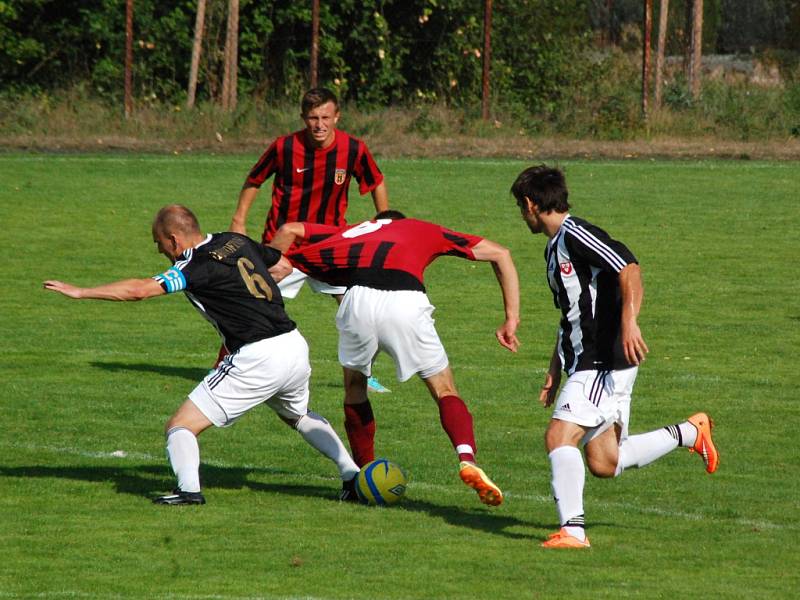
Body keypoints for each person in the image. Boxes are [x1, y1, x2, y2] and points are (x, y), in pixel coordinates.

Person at [43, 205, 360, 505]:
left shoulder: (192, 266)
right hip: (293, 344)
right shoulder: (234, 240)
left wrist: (81, 291)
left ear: (173, 239)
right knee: (297, 415)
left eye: (159, 244)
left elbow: (139, 290)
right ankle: (352, 475)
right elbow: (283, 266)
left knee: (180, 426)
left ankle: (188, 491)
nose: (160, 251)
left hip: (258, 355)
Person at [511, 165, 719, 548]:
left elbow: (629, 267)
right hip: (587, 362)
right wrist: (555, 368)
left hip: (602, 361)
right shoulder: (554, 248)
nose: (520, 215)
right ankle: (690, 432)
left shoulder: (577, 234)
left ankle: (573, 532)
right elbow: (571, 314)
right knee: (605, 462)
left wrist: (629, 323)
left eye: (519, 208)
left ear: (531, 204)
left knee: (559, 436)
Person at [268, 210, 521, 507]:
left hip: (357, 300)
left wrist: (265, 268)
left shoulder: (355, 231)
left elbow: (290, 229)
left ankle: (362, 476)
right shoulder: (421, 227)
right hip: (405, 299)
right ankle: (467, 458)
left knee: (355, 389)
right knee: (444, 390)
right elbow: (500, 253)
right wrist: (511, 319)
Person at [227, 86, 391, 393]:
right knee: (253, 303)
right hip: (283, 246)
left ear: (337, 116)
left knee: (356, 307)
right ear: (304, 118)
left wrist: (385, 222)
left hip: (330, 245)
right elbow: (255, 179)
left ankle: (363, 374)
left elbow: (376, 181)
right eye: (313, 117)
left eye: (325, 117)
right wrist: (239, 219)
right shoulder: (284, 147)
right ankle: (230, 362)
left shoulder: (353, 149)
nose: (319, 124)